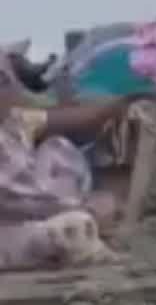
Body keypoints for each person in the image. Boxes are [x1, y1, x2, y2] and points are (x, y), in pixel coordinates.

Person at [0, 81, 130, 269]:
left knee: (57, 146)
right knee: (72, 226)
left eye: (5, 80)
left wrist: (118, 107)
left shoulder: (14, 119)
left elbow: (83, 117)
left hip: (28, 211)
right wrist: (94, 206)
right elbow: (51, 201)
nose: (9, 86)